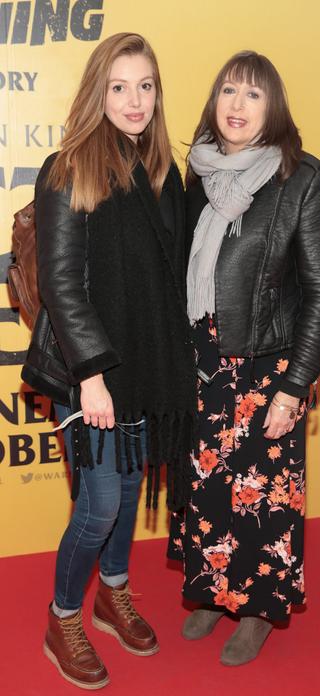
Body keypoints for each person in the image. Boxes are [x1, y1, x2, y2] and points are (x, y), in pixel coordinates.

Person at [22, 32, 197, 689]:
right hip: (86, 369)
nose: (134, 100)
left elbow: (172, 277)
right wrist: (92, 377)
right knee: (97, 506)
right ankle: (63, 615)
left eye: (145, 86)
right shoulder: (70, 166)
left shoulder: (161, 173)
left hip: (145, 365)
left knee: (126, 497)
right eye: (119, 86)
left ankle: (111, 592)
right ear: (99, 91)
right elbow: (64, 287)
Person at [168, 50, 320, 666]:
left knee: (262, 491)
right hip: (202, 357)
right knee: (210, 484)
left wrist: (296, 385)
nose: (237, 106)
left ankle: (262, 608)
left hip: (267, 366)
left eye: (253, 95)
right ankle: (213, 590)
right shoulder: (196, 174)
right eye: (229, 92)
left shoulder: (303, 178)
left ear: (275, 107)